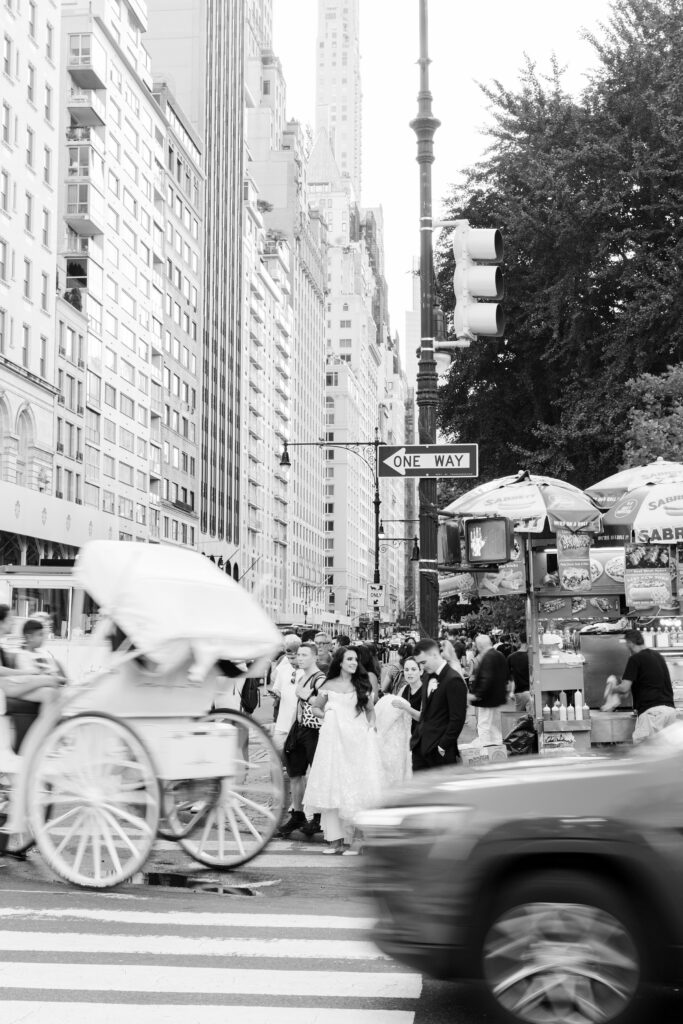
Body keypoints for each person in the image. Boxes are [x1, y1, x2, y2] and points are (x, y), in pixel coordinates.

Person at [304, 646, 383, 854]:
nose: (354, 663)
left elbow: (371, 711)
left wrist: (371, 728)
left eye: (356, 659)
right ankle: (335, 839)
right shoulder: (328, 684)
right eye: (349, 659)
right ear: (340, 662)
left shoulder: (362, 684)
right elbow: (315, 708)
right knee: (335, 785)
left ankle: (358, 839)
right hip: (334, 740)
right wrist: (327, 713)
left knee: (357, 787)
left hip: (357, 740)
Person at [277, 642, 326, 838]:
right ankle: (298, 815)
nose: (300, 658)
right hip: (299, 728)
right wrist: (292, 729)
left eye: (305, 655)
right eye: (299, 655)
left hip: (314, 730)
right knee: (295, 773)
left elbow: (326, 705)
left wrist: (306, 695)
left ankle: (318, 818)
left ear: (315, 657)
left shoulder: (320, 679)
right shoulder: (302, 676)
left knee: (317, 774)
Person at [602, 628, 676, 743]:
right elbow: (631, 688)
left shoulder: (635, 659)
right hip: (670, 712)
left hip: (653, 714)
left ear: (630, 643)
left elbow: (624, 688)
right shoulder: (658, 656)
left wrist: (611, 689)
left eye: (626, 644)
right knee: (663, 753)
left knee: (645, 751)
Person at [409, 638, 468, 770]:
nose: (422, 667)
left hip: (440, 751)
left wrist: (443, 745)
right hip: (420, 746)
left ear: (435, 655)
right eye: (420, 664)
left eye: (423, 662)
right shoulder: (426, 676)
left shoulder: (453, 680)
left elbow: (457, 719)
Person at [378, 655, 422, 786]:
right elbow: (393, 709)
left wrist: (405, 707)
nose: (409, 673)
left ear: (421, 671)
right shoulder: (404, 689)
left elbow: (423, 717)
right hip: (406, 736)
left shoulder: (426, 690)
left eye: (413, 669)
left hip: (421, 736)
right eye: (407, 670)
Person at [469, 634, 509, 746]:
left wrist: (476, 694)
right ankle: (497, 745)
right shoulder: (499, 655)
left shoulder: (488, 657)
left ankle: (485, 747)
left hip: (487, 698)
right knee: (491, 725)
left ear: (479, 645)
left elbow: (486, 678)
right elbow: (506, 674)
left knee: (484, 725)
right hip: (496, 697)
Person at [268, 635, 301, 752]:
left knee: (295, 758)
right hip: (282, 722)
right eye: (289, 657)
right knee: (276, 755)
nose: (291, 661)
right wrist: (276, 694)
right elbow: (277, 688)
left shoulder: (307, 671)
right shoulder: (283, 670)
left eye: (294, 658)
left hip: (299, 723)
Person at [507, 633, 532, 714]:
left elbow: (510, 677)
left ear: (520, 641)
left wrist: (511, 691)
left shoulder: (511, 657)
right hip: (532, 692)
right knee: (532, 718)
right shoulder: (532, 657)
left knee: (519, 718)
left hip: (519, 693)